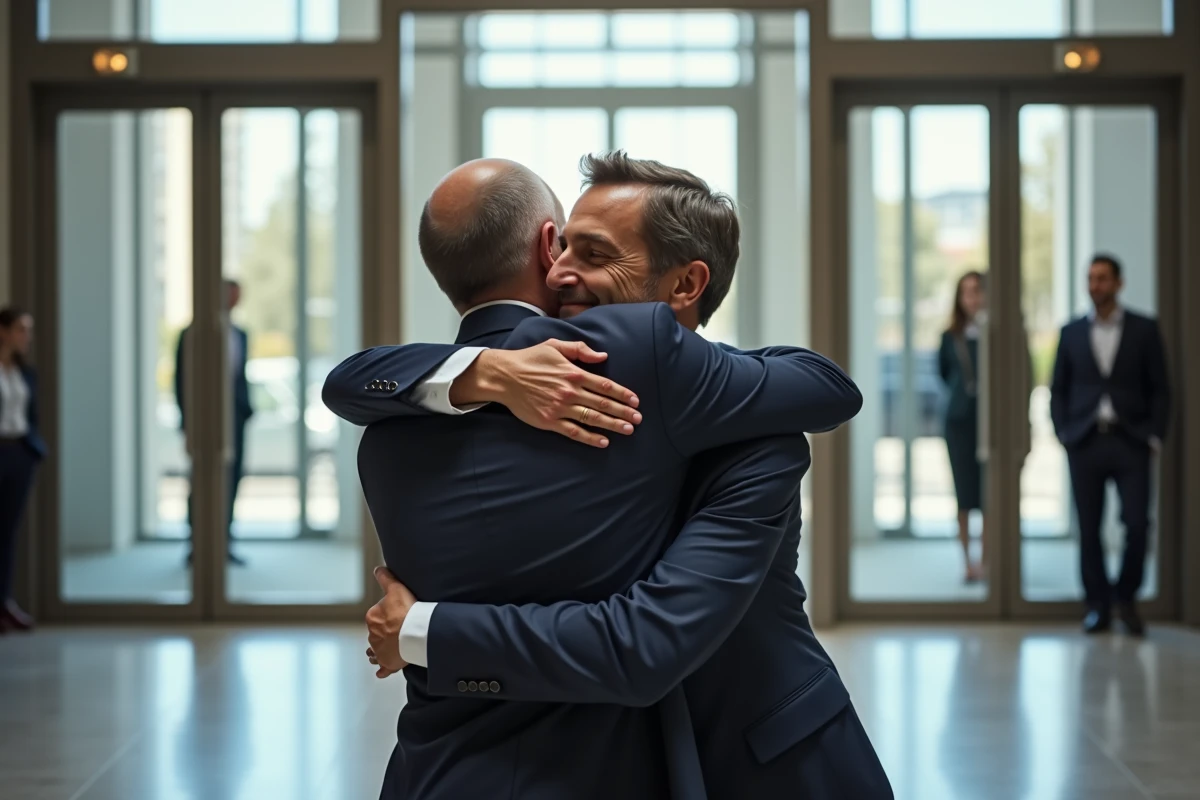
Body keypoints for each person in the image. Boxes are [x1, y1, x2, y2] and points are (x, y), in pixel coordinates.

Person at [324, 154, 890, 798]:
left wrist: (423, 631)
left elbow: (829, 385)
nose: (560, 271)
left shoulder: (749, 429)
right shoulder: (462, 389)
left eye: (591, 253)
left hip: (761, 762)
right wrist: (488, 371)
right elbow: (349, 379)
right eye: (562, 245)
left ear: (684, 287)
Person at [1050, 254, 1169, 636]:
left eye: (1102, 278)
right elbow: (1059, 390)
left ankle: (1127, 599)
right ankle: (1097, 606)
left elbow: (1162, 388)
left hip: (1131, 441)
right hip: (1085, 441)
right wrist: (1064, 433)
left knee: (1137, 524)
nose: (1095, 285)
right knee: (1089, 528)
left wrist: (1155, 435)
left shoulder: (1144, 329)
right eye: (1090, 278)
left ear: (1119, 283)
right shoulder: (1070, 332)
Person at [175, 279, 253, 565]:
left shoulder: (240, 334)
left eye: (237, 296)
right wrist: (187, 423)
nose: (234, 301)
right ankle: (196, 545)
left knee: (231, 482)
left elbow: (239, 378)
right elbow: (181, 381)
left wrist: (246, 410)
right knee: (200, 482)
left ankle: (225, 543)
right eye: (230, 296)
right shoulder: (192, 334)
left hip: (236, 420)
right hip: (203, 421)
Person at [939, 271, 986, 583]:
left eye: (978, 291)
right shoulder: (950, 336)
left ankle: (988, 561)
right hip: (959, 422)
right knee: (964, 495)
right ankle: (967, 562)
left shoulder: (995, 333)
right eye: (966, 292)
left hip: (991, 423)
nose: (973, 297)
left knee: (990, 495)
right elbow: (944, 374)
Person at [0, 308, 45, 633]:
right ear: (3, 331)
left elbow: (32, 415)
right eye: (21, 330)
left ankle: (4, 602)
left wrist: (33, 449)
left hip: (20, 453)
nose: (26, 337)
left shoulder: (24, 372)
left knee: (8, 532)